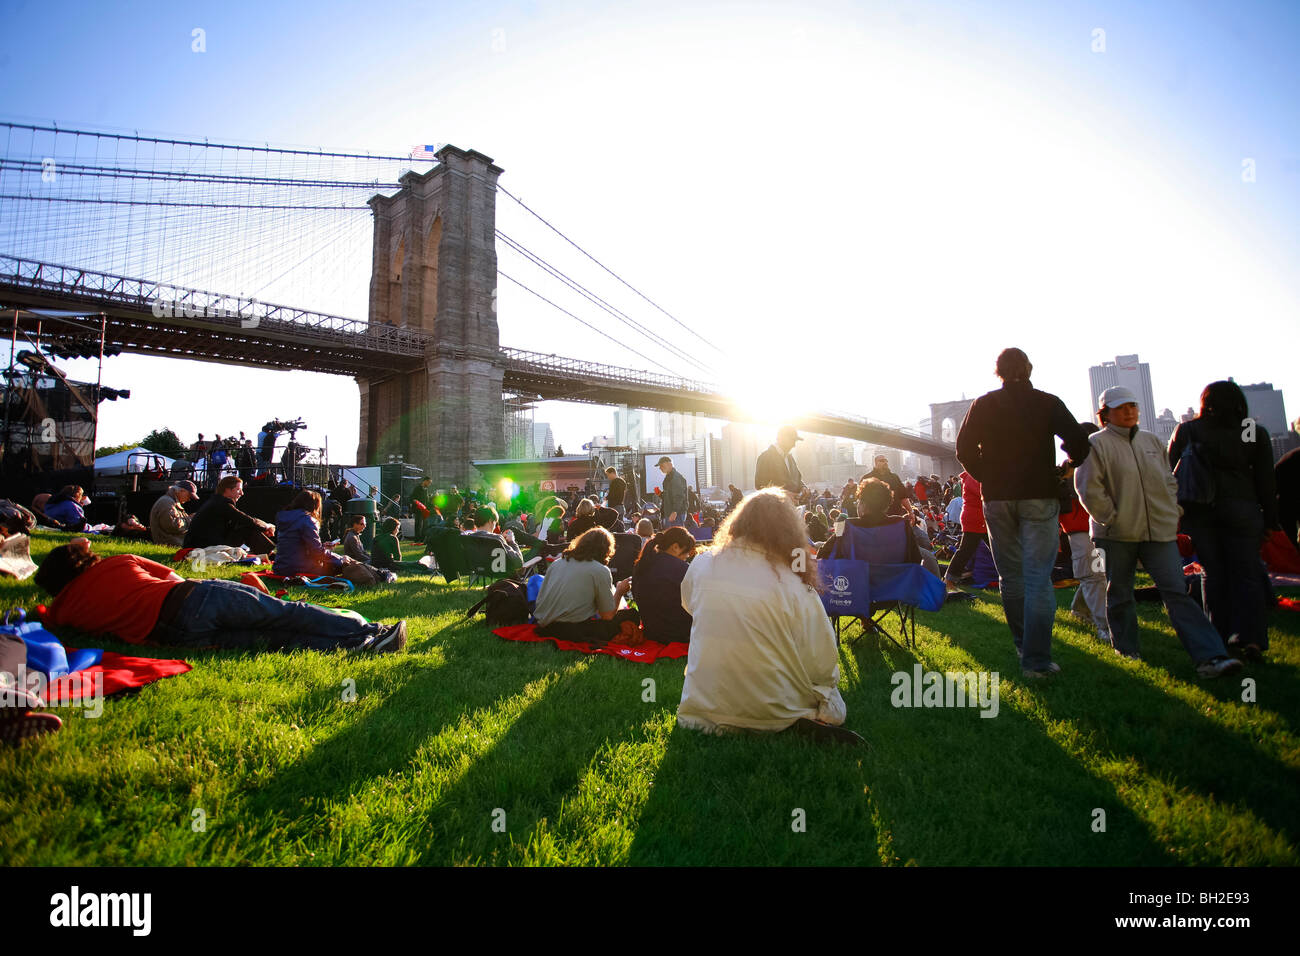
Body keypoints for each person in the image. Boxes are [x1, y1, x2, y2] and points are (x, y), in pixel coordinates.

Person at [1076, 387, 1241, 677]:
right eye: (1120, 407)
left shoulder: (1152, 441)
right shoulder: (1095, 445)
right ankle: (1126, 651)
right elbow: (1088, 488)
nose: (1128, 411)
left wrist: (1172, 511)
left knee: (1177, 591)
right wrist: (1111, 518)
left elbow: (1169, 480)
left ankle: (1210, 657)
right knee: (1120, 592)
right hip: (1115, 534)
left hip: (1159, 531)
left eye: (1132, 405)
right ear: (1105, 414)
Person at [677, 489, 859, 744]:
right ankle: (801, 719)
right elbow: (823, 663)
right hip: (774, 715)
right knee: (833, 703)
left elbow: (689, 605)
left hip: (701, 711)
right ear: (789, 532)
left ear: (738, 522)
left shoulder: (701, 564)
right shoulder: (793, 584)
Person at [956, 347, 1091, 677]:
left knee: (1011, 577)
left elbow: (962, 449)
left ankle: (1021, 644)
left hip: (998, 499)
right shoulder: (1048, 402)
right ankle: (1037, 661)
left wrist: (987, 474)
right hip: (1039, 496)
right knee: (1038, 578)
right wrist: (1067, 466)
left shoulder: (984, 404)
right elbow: (1080, 442)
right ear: (1029, 369)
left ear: (998, 372)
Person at [36, 537, 406, 653]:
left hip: (176, 638)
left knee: (274, 641)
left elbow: (43, 617)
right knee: (286, 613)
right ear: (83, 560)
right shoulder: (117, 563)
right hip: (191, 599)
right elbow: (172, 575)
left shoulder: (63, 612)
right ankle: (370, 629)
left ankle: (357, 646)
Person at [1168, 380, 1278, 659]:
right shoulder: (1252, 431)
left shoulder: (1188, 430)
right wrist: (1270, 520)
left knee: (1212, 575)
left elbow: (1170, 472)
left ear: (1205, 403)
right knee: (1247, 574)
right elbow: (1267, 481)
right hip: (1243, 509)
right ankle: (1251, 640)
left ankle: (1219, 638)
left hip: (1200, 511)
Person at [533, 527, 640, 644]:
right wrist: (620, 591)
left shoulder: (557, 563)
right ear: (606, 550)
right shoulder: (599, 570)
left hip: (543, 626)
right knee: (632, 615)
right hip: (569, 630)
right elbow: (607, 616)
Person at [819, 478, 939, 575]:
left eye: (859, 501)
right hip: (894, 589)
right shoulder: (901, 524)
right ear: (886, 505)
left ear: (864, 504)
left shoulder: (845, 525)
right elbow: (916, 559)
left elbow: (823, 554)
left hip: (857, 589)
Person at [1057, 425, 1108, 644]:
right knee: (1093, 575)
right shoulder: (1068, 468)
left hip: (1100, 526)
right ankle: (1104, 626)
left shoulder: (1103, 463)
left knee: (1098, 573)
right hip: (1078, 530)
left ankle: (1079, 610)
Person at [631, 527, 696, 644]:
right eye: (686, 553)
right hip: (678, 634)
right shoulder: (681, 568)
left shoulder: (643, 563)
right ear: (675, 547)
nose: (686, 558)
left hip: (651, 631)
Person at [183, 476, 276, 554]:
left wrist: (262, 526)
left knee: (247, 526)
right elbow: (247, 520)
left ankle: (269, 552)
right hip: (203, 545)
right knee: (248, 528)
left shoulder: (216, 501)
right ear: (227, 490)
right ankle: (270, 554)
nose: (242, 493)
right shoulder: (222, 504)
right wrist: (267, 526)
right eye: (238, 489)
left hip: (201, 542)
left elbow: (243, 520)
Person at [273, 490, 349, 578]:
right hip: (298, 568)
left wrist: (323, 547)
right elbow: (317, 553)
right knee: (342, 563)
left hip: (280, 567)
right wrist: (340, 560)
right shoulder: (307, 520)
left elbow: (294, 545)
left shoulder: (284, 517)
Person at [944, 471, 986, 585]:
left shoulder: (972, 475)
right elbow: (984, 492)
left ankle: (949, 580)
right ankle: (949, 581)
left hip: (978, 518)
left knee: (966, 550)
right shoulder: (973, 475)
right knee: (965, 550)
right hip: (975, 518)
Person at [754, 425, 806, 496]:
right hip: (775, 506)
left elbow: (797, 480)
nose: (794, 445)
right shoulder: (765, 457)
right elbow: (760, 486)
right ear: (783, 438)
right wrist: (784, 495)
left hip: (791, 506)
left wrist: (803, 488)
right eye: (792, 440)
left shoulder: (790, 458)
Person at [149, 480, 197, 547]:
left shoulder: (171, 502)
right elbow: (173, 526)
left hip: (174, 543)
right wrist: (190, 519)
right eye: (189, 495)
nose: (189, 499)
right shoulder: (167, 503)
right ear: (182, 491)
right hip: (171, 544)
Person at [657, 456, 690, 528]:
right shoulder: (670, 477)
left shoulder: (675, 478)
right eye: (660, 466)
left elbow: (679, 496)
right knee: (673, 537)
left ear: (670, 464)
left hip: (676, 514)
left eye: (662, 465)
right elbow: (669, 497)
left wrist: (675, 511)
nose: (660, 468)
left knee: (676, 537)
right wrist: (660, 494)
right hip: (672, 513)